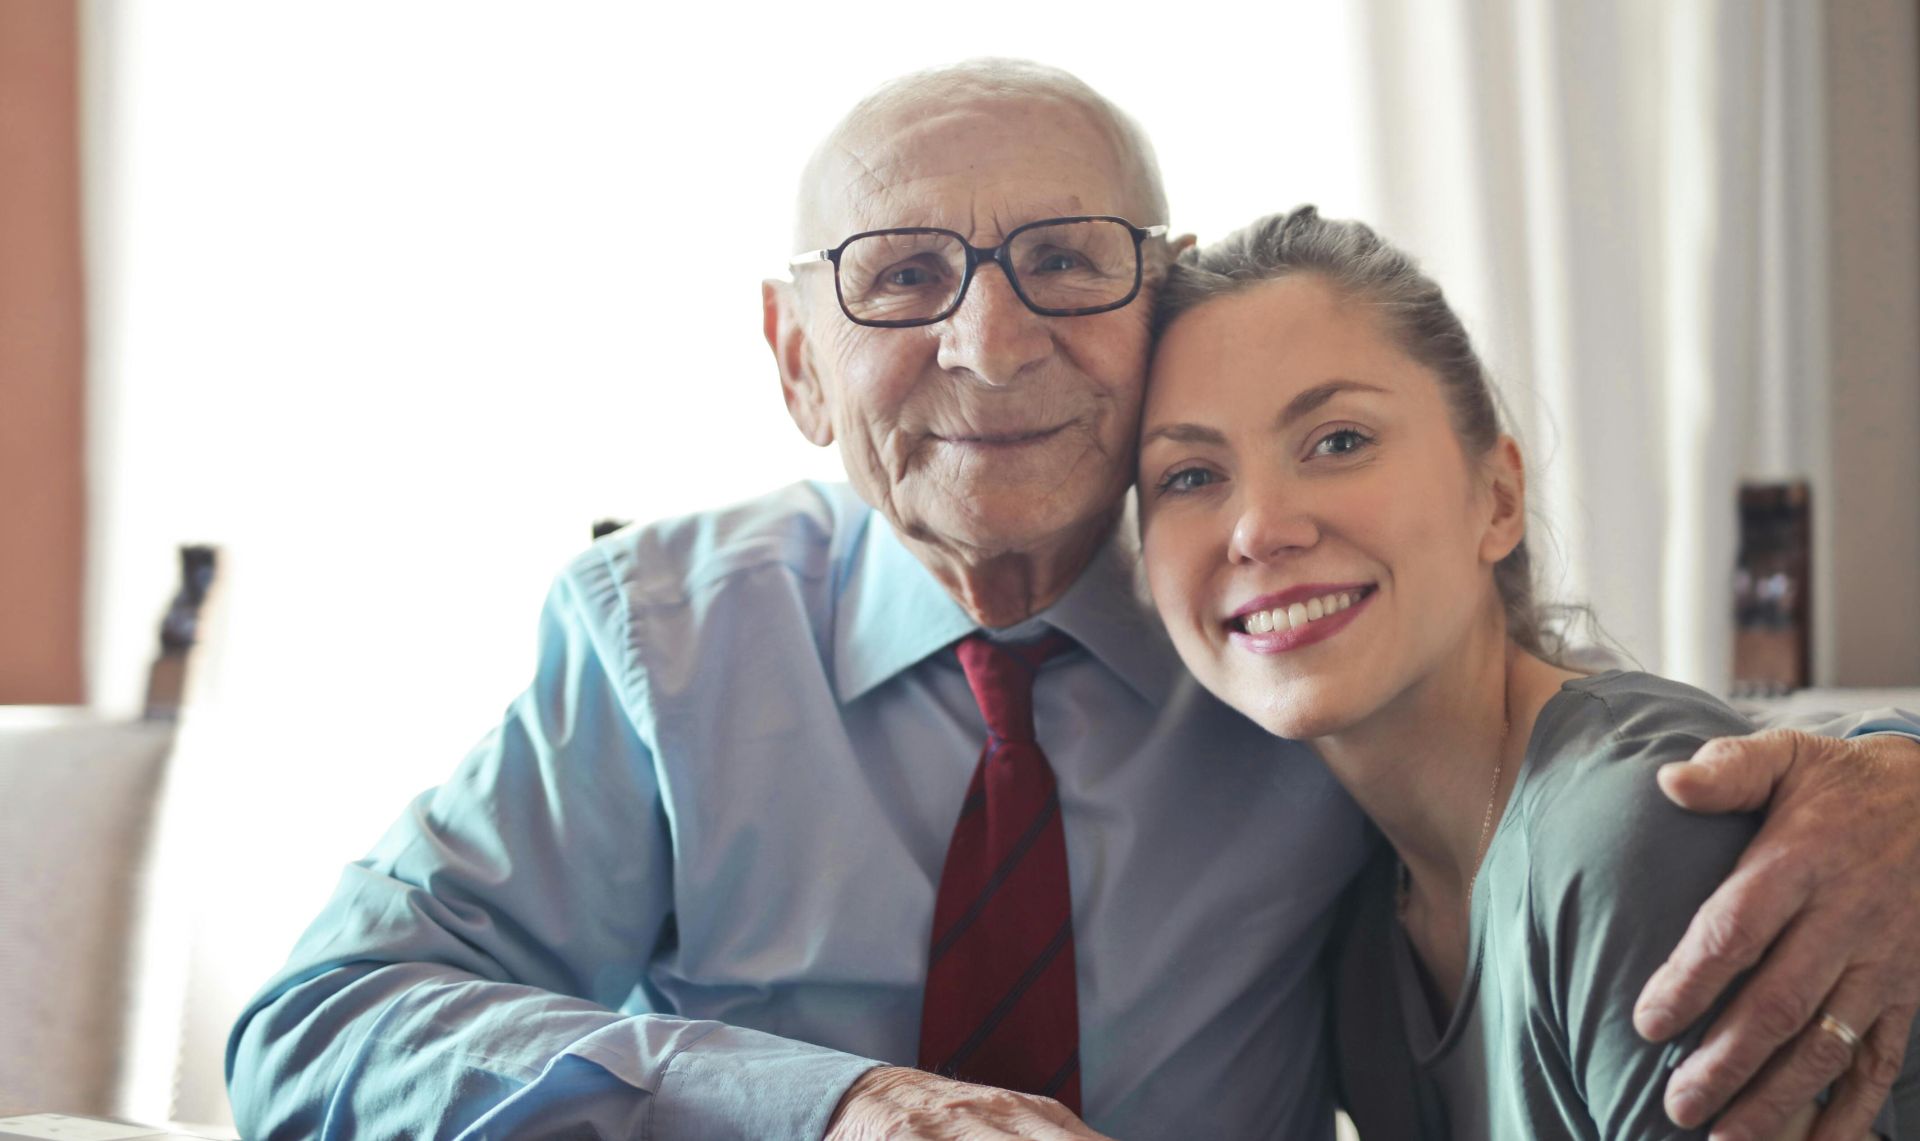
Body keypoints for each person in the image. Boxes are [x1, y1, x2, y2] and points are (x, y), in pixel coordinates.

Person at [227, 60, 1920, 1140]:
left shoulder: (1281, 646)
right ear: (796, 363)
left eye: (1063, 259)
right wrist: (834, 1112)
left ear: (1147, 314)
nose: (990, 342)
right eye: (902, 278)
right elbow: (313, 1029)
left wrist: (1904, 774)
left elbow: (1613, 767)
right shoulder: (661, 641)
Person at [1135, 205, 1920, 1138]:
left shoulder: (1635, 836)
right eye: (1188, 475)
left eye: (1338, 440)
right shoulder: (1363, 926)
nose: (1259, 526)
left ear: (1498, 498)